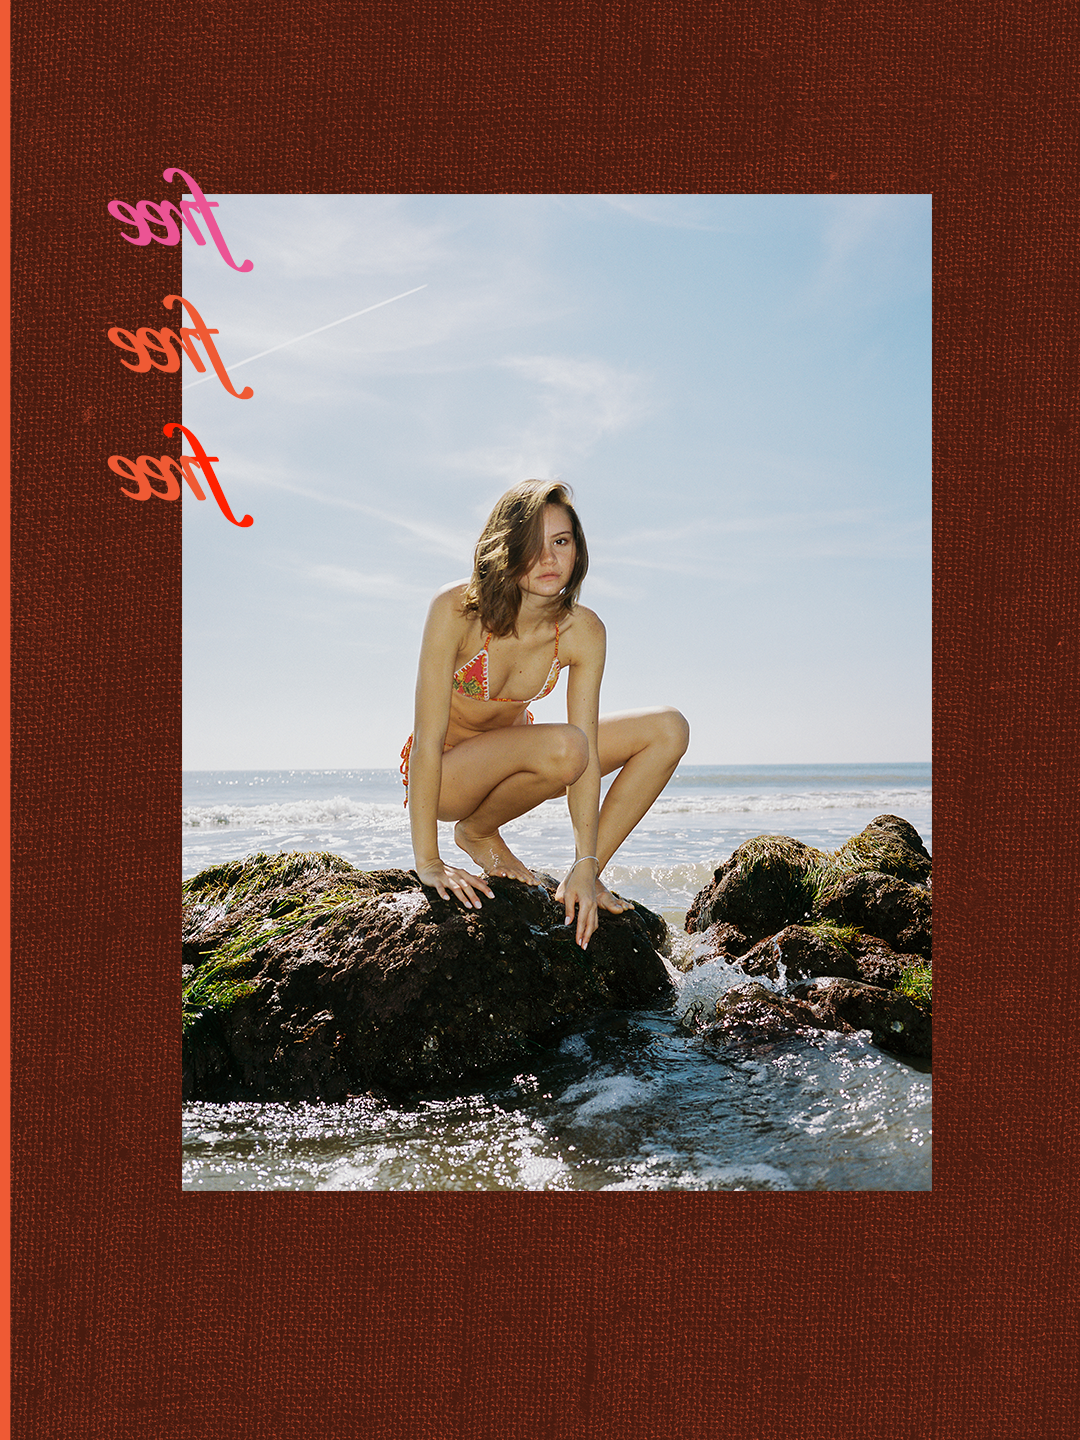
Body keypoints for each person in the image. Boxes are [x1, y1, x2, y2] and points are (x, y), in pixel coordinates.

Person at [401, 480, 689, 950]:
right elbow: (427, 738)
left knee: (667, 728)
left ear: (577, 549)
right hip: (445, 776)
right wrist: (427, 862)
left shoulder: (584, 631)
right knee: (567, 746)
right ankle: (469, 829)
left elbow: (588, 754)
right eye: (533, 544)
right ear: (505, 547)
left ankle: (571, 869)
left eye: (561, 541)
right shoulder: (457, 609)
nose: (549, 559)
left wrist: (586, 861)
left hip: (524, 759)